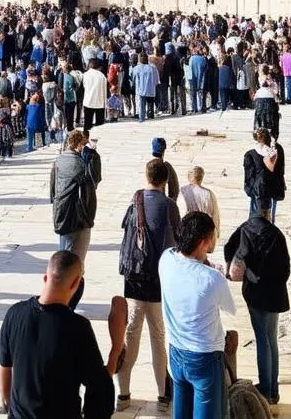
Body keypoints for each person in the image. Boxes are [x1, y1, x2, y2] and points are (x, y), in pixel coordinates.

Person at [0, 250, 115, 419]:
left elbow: (4, 369)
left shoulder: (14, 313)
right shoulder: (78, 327)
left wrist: (11, 409)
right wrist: (116, 350)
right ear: (75, 284)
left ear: (45, 278)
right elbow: (98, 386)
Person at [116, 158, 181, 412]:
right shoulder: (169, 206)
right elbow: (178, 241)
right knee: (158, 336)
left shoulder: (136, 200)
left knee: (131, 334)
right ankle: (163, 396)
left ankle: (123, 395)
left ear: (146, 176)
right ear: (165, 181)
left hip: (133, 278)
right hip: (158, 280)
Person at [158, 212, 236, 419]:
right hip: (204, 357)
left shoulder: (165, 259)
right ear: (203, 243)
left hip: (176, 351)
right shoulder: (211, 278)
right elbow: (230, 308)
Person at [223, 204, 291, 408]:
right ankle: (273, 389)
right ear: (268, 212)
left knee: (262, 339)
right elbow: (286, 268)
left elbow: (230, 249)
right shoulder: (277, 234)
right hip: (276, 294)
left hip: (256, 292)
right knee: (271, 339)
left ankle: (267, 390)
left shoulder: (246, 229)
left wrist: (231, 270)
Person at [50, 129, 97, 307]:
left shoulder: (59, 160)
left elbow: (53, 190)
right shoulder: (79, 164)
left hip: (61, 214)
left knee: (63, 255)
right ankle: (67, 303)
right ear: (79, 145)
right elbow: (92, 186)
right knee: (74, 265)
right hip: (76, 219)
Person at [179, 166, 221, 235]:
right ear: (201, 178)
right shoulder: (208, 193)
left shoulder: (182, 191)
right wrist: (216, 232)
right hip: (203, 230)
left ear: (189, 177)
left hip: (187, 229)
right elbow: (215, 215)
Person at [82, 61, 107, 132]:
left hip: (88, 101)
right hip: (100, 102)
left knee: (87, 124)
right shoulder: (102, 76)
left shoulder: (85, 75)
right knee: (100, 125)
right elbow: (104, 90)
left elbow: (84, 86)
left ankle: (86, 139)